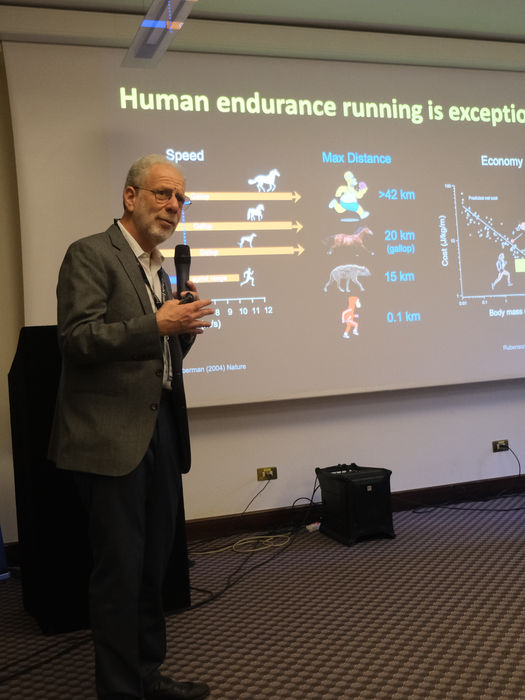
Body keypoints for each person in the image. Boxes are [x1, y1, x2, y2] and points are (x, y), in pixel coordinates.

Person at [49, 154, 214, 700]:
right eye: (163, 194)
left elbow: (159, 357)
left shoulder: (159, 271)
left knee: (152, 567)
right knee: (120, 572)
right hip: (110, 439)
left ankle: (147, 676)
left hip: (160, 429)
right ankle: (120, 691)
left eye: (180, 198)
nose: (173, 206)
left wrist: (180, 329)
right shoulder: (91, 253)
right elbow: (77, 340)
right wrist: (157, 323)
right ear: (130, 196)